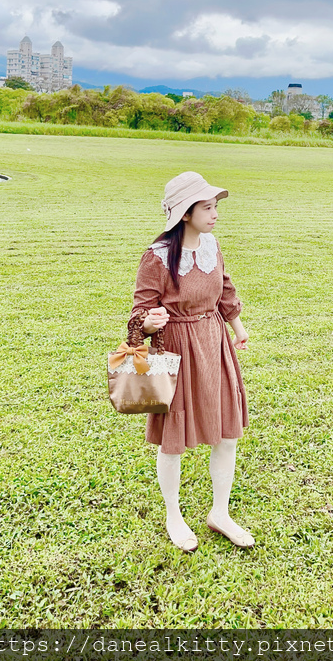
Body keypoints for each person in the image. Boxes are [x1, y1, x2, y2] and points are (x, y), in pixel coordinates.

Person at [128, 170, 254, 552]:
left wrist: (237, 326)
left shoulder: (213, 245)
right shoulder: (157, 257)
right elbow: (139, 312)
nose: (215, 214)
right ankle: (173, 515)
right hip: (177, 349)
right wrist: (149, 322)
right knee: (173, 440)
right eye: (207, 207)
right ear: (185, 213)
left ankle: (220, 513)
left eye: (216, 206)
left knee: (227, 433)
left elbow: (225, 289)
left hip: (214, 343)